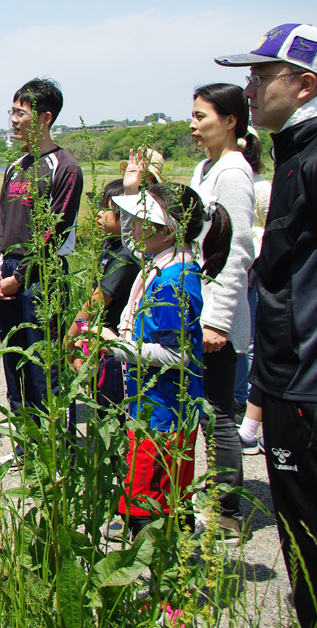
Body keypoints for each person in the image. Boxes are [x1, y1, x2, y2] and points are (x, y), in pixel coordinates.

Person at [215, 23, 317, 628]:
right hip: (287, 381)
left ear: (304, 84)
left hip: (303, 386)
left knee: (305, 540)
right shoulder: (295, 155)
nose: (247, 88)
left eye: (260, 74)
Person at [102, 183, 231, 540]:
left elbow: (179, 354)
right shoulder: (162, 267)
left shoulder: (172, 281)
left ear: (165, 230)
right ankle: (169, 580)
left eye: (140, 219)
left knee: (151, 507)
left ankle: (167, 587)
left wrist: (116, 346)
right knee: (165, 501)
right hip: (153, 407)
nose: (130, 225)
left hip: (164, 416)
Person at [0, 79, 83, 469]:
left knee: (46, 365)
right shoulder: (15, 166)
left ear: (44, 118)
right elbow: (1, 222)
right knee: (16, 365)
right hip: (7, 275)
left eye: (20, 113)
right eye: (12, 111)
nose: (13, 120)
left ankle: (58, 454)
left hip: (41, 275)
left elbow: (55, 229)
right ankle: (27, 447)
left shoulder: (66, 166)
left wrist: (21, 276)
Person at [186, 82, 258, 543]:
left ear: (231, 120)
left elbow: (236, 252)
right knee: (202, 409)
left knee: (217, 412)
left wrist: (218, 319)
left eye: (201, 117)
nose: (193, 126)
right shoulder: (205, 167)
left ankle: (227, 510)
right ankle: (204, 499)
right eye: (192, 117)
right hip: (199, 308)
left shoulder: (232, 172)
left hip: (218, 316)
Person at [65, 180, 138, 417]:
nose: (98, 214)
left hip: (115, 349)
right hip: (99, 342)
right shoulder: (111, 245)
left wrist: (71, 338)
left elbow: (95, 304)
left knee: (112, 414)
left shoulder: (126, 255)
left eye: (106, 208)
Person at [237, 125, 271, 453]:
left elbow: (266, 225)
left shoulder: (261, 187)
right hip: (231, 269)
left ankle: (246, 400)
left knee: (247, 340)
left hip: (252, 270)